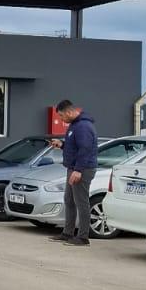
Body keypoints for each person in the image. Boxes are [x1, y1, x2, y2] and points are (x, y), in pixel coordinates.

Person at [54, 99, 98, 246]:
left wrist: (78, 170)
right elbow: (74, 147)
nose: (61, 119)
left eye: (61, 116)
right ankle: (68, 233)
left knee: (81, 202)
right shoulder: (75, 125)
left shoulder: (83, 126)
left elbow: (85, 149)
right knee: (69, 200)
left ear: (69, 112)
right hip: (73, 168)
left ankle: (83, 237)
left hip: (82, 169)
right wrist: (62, 145)